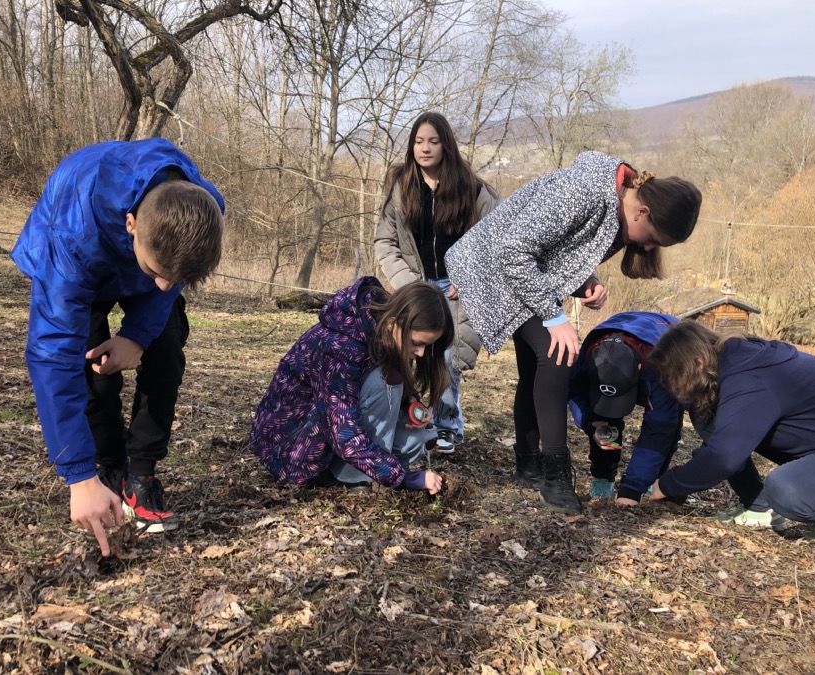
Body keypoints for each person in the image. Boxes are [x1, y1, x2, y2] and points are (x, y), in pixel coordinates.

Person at [445, 151, 701, 514]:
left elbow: (560, 251)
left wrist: (587, 282)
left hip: (522, 273)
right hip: (496, 269)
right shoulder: (584, 191)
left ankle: (528, 465)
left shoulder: (617, 206)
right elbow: (514, 251)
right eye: (653, 239)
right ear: (642, 212)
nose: (647, 248)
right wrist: (554, 317)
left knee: (535, 369)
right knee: (557, 354)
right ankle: (555, 476)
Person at [11, 138, 225, 556]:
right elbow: (53, 354)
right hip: (83, 251)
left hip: (138, 250)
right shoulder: (70, 238)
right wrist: (77, 476)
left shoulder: (203, 209)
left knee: (166, 351)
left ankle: (140, 476)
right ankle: (106, 469)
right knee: (89, 364)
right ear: (131, 225)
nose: (164, 286)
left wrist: (137, 336)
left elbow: (167, 280)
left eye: (175, 279)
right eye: (157, 272)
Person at [248, 278, 453, 494]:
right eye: (418, 343)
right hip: (290, 451)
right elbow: (344, 432)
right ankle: (358, 479)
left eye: (427, 346)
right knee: (382, 381)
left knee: (417, 436)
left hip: (328, 435)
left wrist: (409, 403)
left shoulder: (384, 330)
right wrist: (405, 478)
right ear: (393, 323)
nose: (420, 353)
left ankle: (376, 471)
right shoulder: (338, 347)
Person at [648, 320, 815, 549]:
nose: (672, 387)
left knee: (786, 490)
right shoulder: (736, 364)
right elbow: (724, 440)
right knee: (706, 415)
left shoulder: (750, 376)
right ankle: (758, 507)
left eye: (672, 377)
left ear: (697, 364)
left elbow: (724, 456)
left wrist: (669, 484)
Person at [374, 112, 502, 454]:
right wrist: (409, 285)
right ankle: (405, 419)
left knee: (448, 357)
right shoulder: (400, 187)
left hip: (456, 288)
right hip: (414, 286)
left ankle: (446, 427)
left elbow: (497, 239)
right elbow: (385, 242)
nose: (425, 148)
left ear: (446, 145)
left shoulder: (473, 189)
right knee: (406, 350)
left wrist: (470, 276)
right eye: (418, 141)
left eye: (433, 141)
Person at [568, 311, 683, 504]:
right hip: (622, 330)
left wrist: (632, 489)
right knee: (604, 426)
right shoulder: (587, 359)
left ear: (638, 369)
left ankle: (652, 481)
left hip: (666, 345)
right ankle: (603, 478)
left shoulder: (662, 368)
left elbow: (659, 428)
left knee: (668, 427)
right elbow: (574, 392)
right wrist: (590, 423)